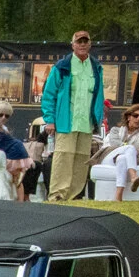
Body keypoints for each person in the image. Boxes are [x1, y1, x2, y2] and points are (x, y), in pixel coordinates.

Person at [41, 31, 105, 202]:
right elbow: (49, 95)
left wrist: (97, 117)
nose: (82, 44)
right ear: (73, 45)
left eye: (85, 41)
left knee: (82, 159)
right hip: (66, 121)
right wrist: (50, 120)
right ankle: (57, 195)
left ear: (90, 44)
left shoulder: (96, 67)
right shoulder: (62, 66)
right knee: (64, 156)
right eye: (79, 42)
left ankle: (74, 195)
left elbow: (99, 95)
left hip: (86, 122)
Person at [96, 104, 139, 201]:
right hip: (109, 157)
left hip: (126, 160)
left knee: (122, 158)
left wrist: (130, 151)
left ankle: (118, 196)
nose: (138, 119)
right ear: (129, 117)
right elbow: (115, 144)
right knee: (130, 148)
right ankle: (134, 177)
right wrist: (130, 148)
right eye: (135, 115)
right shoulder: (115, 130)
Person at [0, 103, 34, 200]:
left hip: (15, 154)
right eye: (1, 115)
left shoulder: (0, 130)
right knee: (15, 179)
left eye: (7, 116)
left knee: (17, 178)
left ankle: (21, 201)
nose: (3, 118)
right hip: (9, 154)